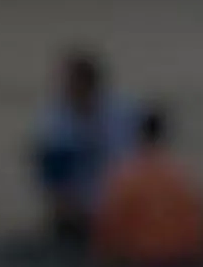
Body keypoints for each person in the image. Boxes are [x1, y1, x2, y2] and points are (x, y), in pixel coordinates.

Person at [27, 46, 136, 246]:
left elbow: (138, 158)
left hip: (119, 201)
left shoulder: (122, 112)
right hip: (77, 206)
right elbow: (52, 171)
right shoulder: (56, 118)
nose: (68, 90)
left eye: (74, 84)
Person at [91, 106, 203, 267]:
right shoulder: (184, 177)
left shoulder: (123, 177)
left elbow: (106, 230)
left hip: (136, 266)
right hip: (180, 265)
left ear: (138, 135)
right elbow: (202, 231)